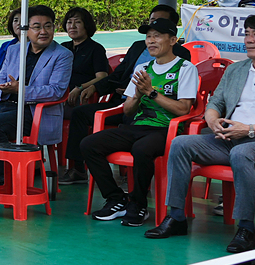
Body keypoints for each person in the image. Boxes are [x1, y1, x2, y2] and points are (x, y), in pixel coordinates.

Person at [146, 12, 255, 253]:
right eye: (246, 34)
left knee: (241, 154)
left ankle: (245, 228)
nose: (249, 40)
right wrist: (213, 123)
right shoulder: (235, 70)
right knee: (180, 143)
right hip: (227, 137)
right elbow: (215, 104)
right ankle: (177, 217)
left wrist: (249, 129)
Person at [82, 18, 198, 226]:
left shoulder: (186, 68)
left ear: (173, 40)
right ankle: (116, 198)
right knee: (89, 144)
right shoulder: (143, 68)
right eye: (148, 37)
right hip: (138, 126)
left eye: (157, 36)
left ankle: (138, 204)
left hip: (168, 131)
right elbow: (127, 109)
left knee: (142, 148)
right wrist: (136, 95)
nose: (151, 41)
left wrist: (151, 93)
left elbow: (184, 109)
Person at [60, 4, 191, 186]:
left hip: (151, 111)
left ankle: (133, 181)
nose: (153, 31)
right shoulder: (138, 47)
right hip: (122, 100)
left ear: (172, 36)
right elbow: (117, 76)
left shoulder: (182, 56)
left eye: (160, 24)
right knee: (80, 114)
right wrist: (96, 87)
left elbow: (176, 91)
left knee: (138, 136)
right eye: (152, 22)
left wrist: (146, 92)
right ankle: (78, 169)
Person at [0, 5, 73, 196]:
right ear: (26, 29)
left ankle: (4, 180)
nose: (43, 31)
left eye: (48, 26)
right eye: (36, 26)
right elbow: (0, 79)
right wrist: (3, 88)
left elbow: (56, 91)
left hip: (33, 113)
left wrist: (21, 90)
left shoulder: (62, 55)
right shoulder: (15, 49)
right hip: (6, 105)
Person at [61, 7, 109, 109]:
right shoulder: (63, 47)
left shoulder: (96, 49)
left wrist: (80, 88)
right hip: (59, 94)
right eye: (69, 22)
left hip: (80, 97)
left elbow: (102, 77)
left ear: (86, 25)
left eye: (77, 22)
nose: (72, 26)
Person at [0, 8, 22, 73]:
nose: (19, 23)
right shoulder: (5, 46)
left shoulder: (34, 47)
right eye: (15, 20)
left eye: (23, 20)